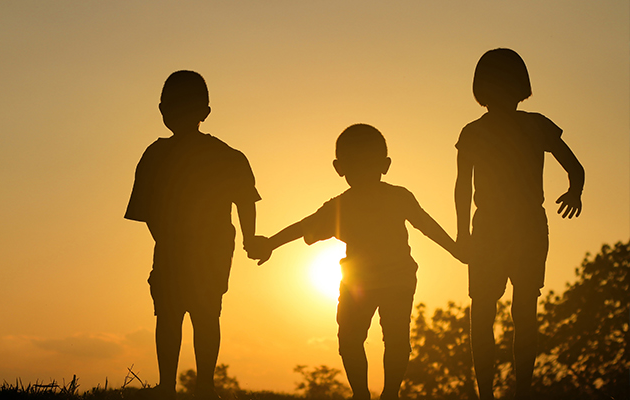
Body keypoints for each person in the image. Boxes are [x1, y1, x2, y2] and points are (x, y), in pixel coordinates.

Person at [247, 124, 463, 400]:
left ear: (384, 166)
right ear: (340, 168)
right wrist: (270, 244)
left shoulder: (391, 198)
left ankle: (384, 394)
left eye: (366, 165)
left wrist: (456, 249)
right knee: (361, 340)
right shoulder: (347, 204)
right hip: (370, 281)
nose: (362, 173)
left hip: (385, 280)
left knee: (380, 340)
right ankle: (370, 394)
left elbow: (427, 225)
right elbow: (305, 225)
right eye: (356, 166)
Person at [455, 48, 584, 400]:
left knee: (511, 310)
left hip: (516, 229)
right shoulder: (491, 131)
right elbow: (462, 187)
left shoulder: (531, 126)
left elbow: (575, 169)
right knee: (501, 311)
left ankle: (514, 392)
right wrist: (462, 233)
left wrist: (576, 191)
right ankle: (498, 393)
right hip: (503, 230)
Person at [125, 70, 259, 400]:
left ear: (162, 110)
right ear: (206, 112)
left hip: (183, 249)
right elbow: (245, 202)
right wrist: (248, 238)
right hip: (201, 250)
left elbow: (147, 212)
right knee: (199, 315)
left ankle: (180, 387)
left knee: (178, 316)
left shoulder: (157, 155)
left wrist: (169, 238)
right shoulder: (226, 155)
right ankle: (197, 387)